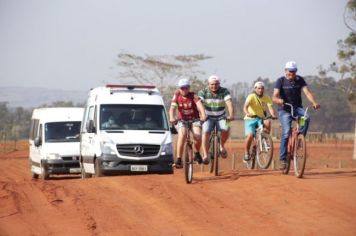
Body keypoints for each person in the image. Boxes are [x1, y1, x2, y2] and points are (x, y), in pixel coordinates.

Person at [272, 61, 320, 170]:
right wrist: (279, 100)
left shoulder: (300, 80)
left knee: (306, 118)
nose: (291, 73)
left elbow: (307, 92)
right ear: (285, 71)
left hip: (297, 108)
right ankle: (283, 159)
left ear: (296, 71)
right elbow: (274, 96)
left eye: (293, 71)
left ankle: (300, 138)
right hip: (285, 109)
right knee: (286, 132)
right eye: (289, 71)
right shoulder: (281, 81)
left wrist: (314, 102)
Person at [169, 78, 207, 168]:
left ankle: (196, 152)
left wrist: (203, 115)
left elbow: (200, 106)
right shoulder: (177, 96)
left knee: (197, 136)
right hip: (182, 120)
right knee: (182, 135)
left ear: (189, 88)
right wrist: (171, 117)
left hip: (195, 119)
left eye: (186, 88)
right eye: (182, 88)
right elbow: (172, 109)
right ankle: (178, 159)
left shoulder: (193, 96)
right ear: (179, 89)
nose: (184, 90)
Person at [198, 75, 234, 164]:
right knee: (205, 131)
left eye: (216, 84)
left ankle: (222, 146)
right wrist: (202, 115)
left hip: (222, 116)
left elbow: (229, 103)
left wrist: (231, 115)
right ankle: (205, 155)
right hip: (207, 117)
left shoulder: (224, 91)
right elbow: (199, 103)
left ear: (219, 84)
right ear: (208, 84)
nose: (214, 86)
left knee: (227, 128)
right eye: (212, 84)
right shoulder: (203, 91)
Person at [243, 81, 277, 162]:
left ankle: (264, 138)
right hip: (250, 119)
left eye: (262, 88)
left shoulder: (267, 97)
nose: (260, 90)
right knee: (250, 135)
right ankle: (246, 153)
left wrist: (273, 114)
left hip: (260, 118)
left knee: (268, 122)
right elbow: (245, 107)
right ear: (255, 89)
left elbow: (270, 108)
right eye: (258, 88)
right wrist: (248, 113)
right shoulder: (251, 96)